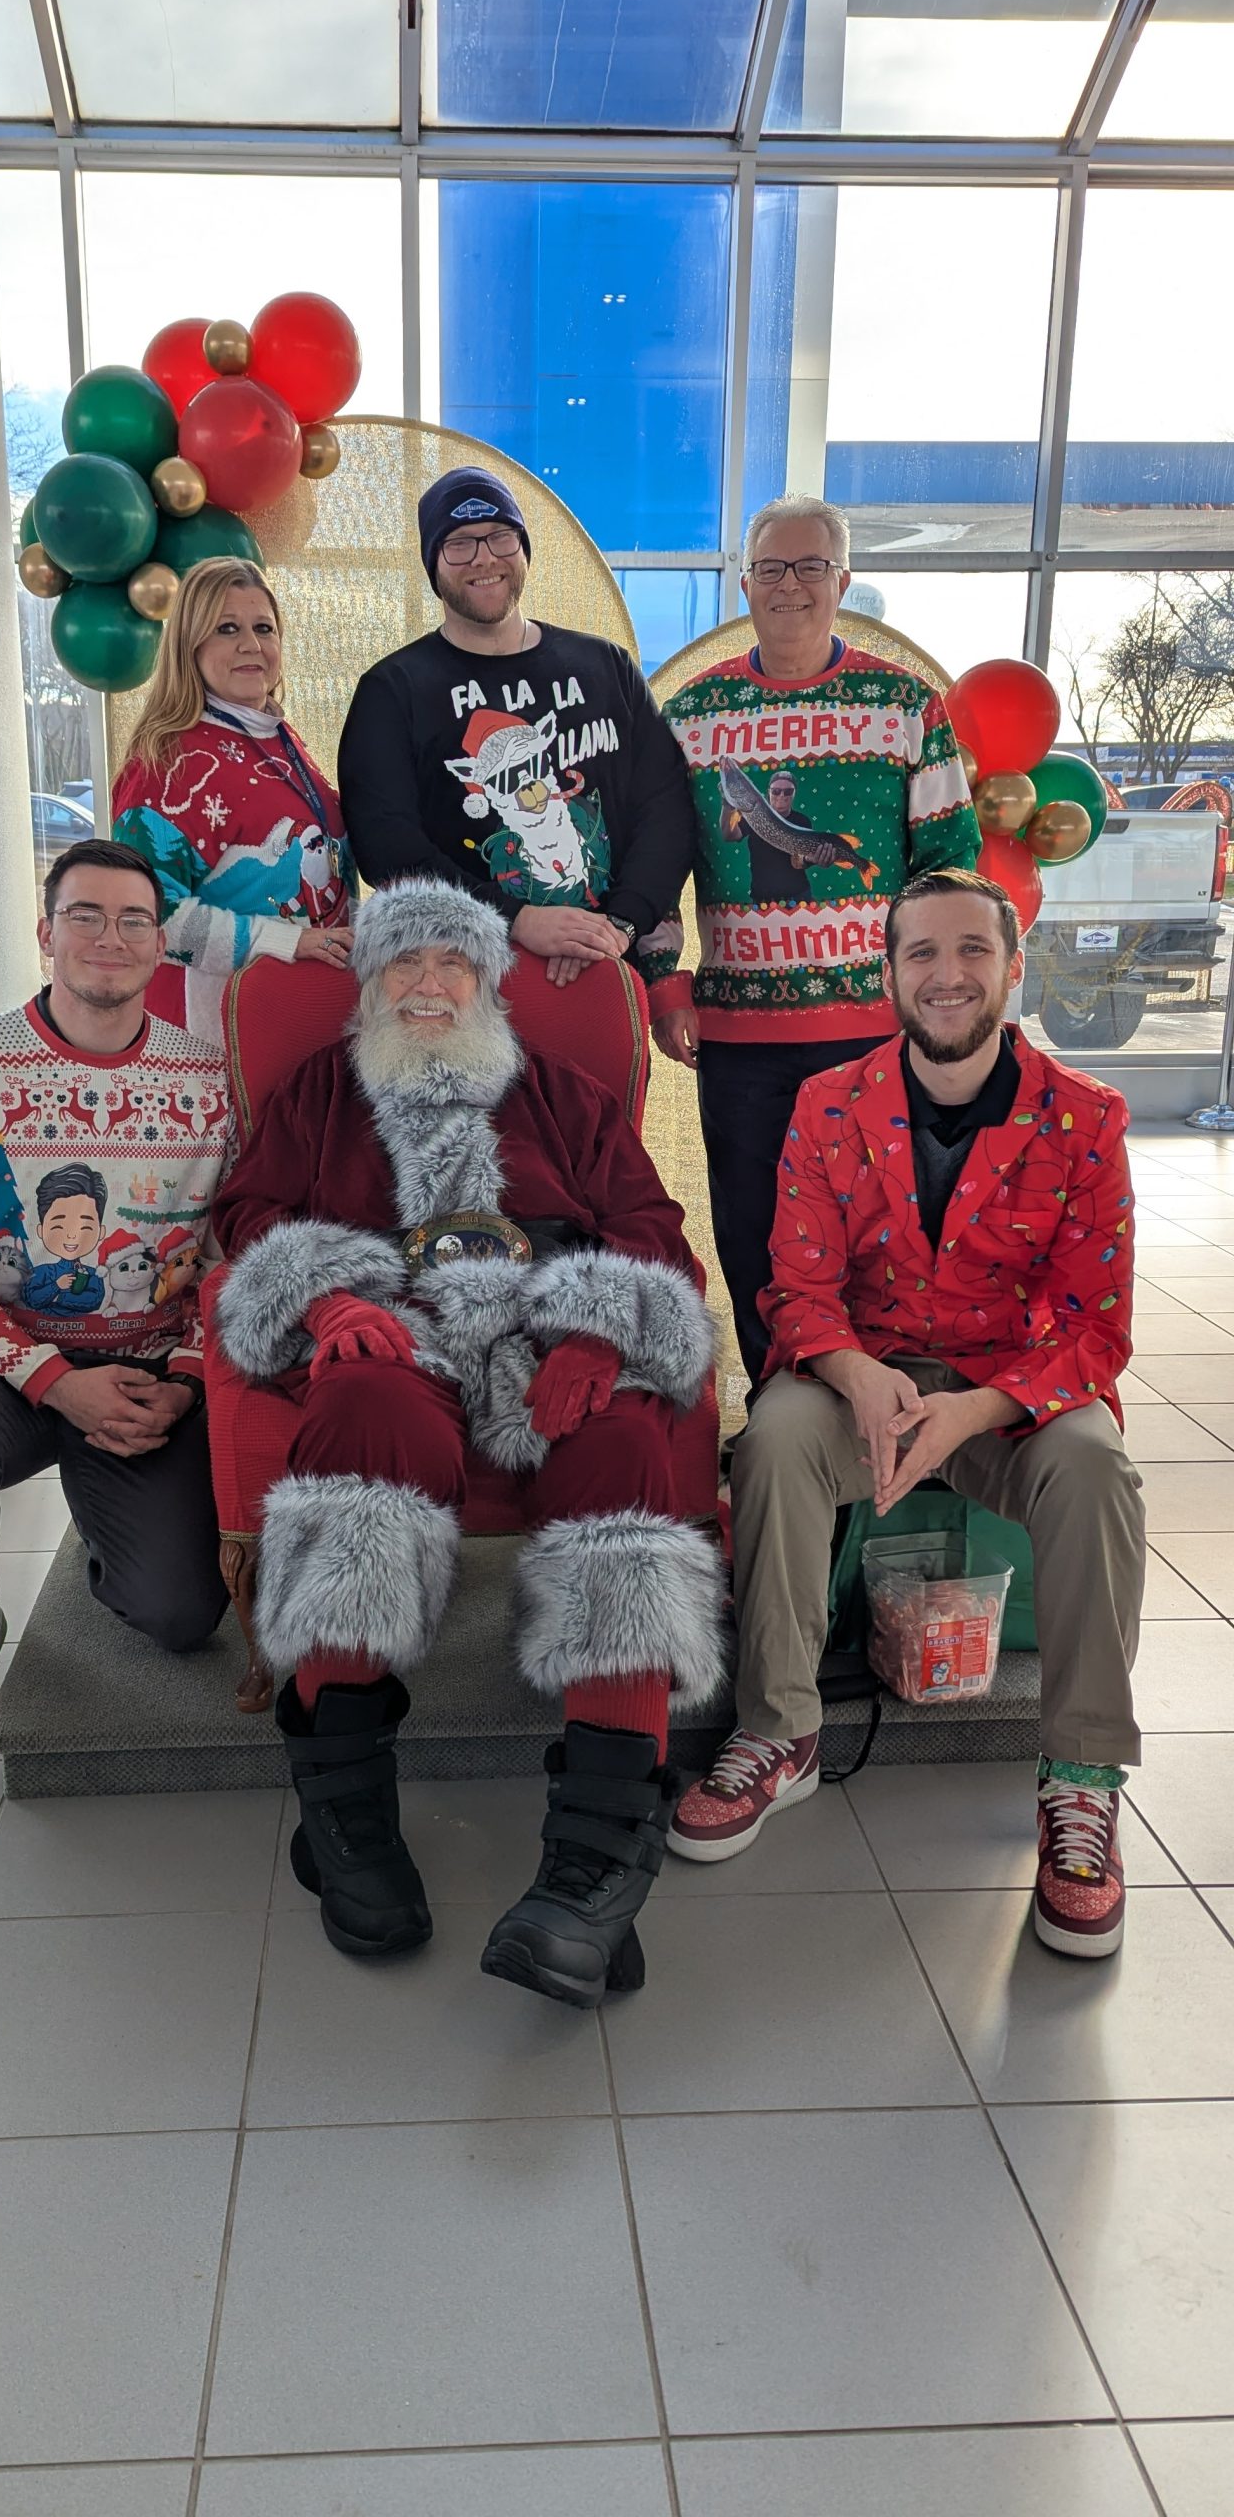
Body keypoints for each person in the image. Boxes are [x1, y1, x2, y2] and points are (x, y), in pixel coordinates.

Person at [212, 877, 722, 2008]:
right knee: (362, 1420)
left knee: (627, 1446)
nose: (430, 982)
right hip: (392, 1335)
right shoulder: (319, 1094)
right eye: (406, 963)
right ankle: (346, 1811)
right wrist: (326, 1295)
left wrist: (597, 1328)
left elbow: (648, 1227)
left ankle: (595, 1859)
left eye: (454, 963)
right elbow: (249, 1217)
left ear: (489, 982)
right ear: (373, 985)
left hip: (549, 1332)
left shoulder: (564, 1096)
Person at [671, 868, 1144, 1961]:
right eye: (921, 953)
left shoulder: (1084, 1118)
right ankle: (779, 1730)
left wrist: (978, 1406)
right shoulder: (828, 1103)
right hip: (866, 1384)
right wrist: (846, 1369)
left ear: (1013, 967)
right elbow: (794, 1285)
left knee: (1097, 1467)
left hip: (1008, 1397)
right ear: (888, 973)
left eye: (971, 951)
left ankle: (1080, 1779)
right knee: (779, 1433)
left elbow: (1095, 1330)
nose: (947, 975)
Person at [0, 841, 233, 1755]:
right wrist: (54, 1384)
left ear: (160, 947)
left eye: (133, 921)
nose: (109, 938)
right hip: (0, 1365)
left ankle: (111, 1507)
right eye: (85, 916)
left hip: (154, 1369)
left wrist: (187, 1378)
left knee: (182, 1616)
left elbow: (233, 1250)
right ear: (46, 933)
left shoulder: (210, 1082)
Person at [650, 494, 983, 1377]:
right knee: (755, 1235)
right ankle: (778, 1414)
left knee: (884, 1237)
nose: (787, 586)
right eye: (769, 568)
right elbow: (652, 861)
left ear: (842, 581)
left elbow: (952, 868)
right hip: (741, 1040)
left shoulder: (908, 704)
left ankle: (884, 1412)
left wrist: (944, 1009)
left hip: (879, 1037)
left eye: (808, 568)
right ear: (745, 582)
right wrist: (663, 974)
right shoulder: (691, 716)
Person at [336, 466, 695, 988]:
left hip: (607, 977)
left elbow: (666, 807)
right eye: (458, 544)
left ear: (525, 551)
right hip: (463, 994)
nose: (484, 557)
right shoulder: (393, 691)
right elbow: (386, 847)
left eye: (501, 536)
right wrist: (515, 919)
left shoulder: (606, 667)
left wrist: (619, 925)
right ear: (433, 565)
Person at [112, 555, 354, 1040]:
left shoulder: (279, 737)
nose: (251, 644)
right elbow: (146, 916)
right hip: (217, 1036)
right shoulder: (165, 762)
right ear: (190, 645)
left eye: (264, 628)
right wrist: (286, 940)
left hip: (307, 1020)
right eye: (226, 628)